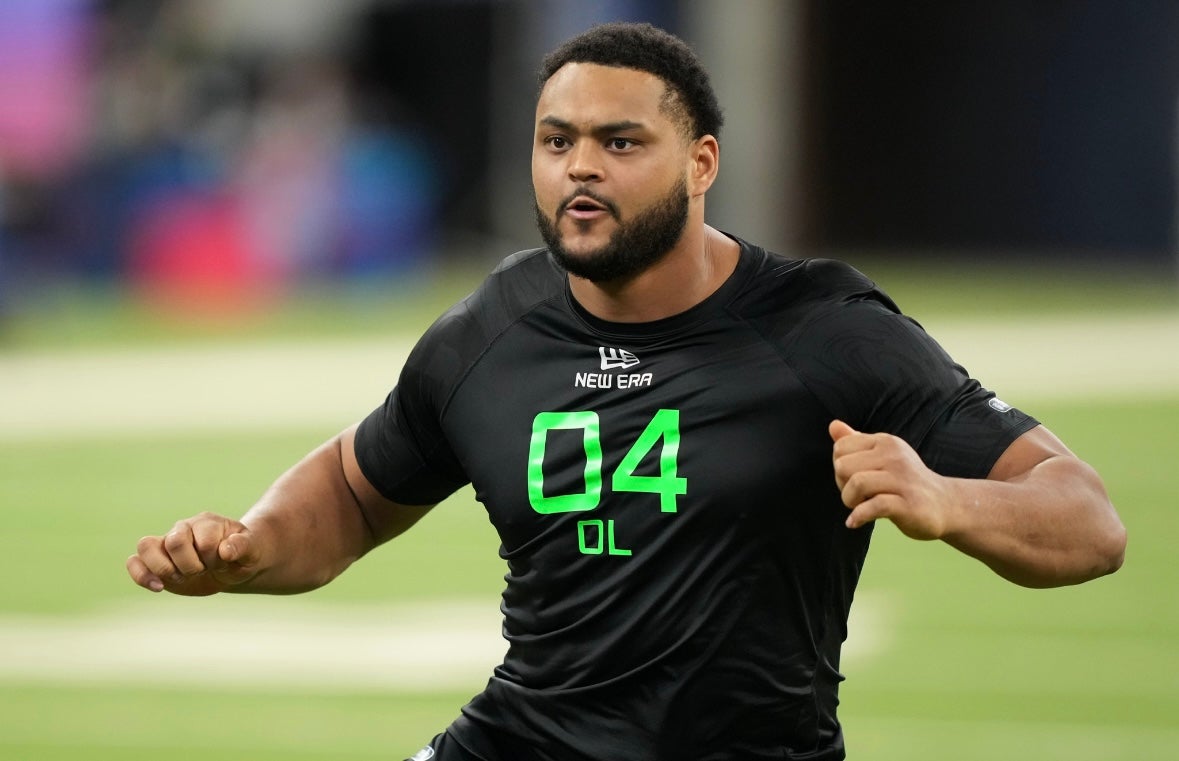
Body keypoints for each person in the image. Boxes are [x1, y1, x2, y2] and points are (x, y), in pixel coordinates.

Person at [126, 22, 1127, 761]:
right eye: (557, 141)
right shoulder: (492, 329)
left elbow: (1086, 520)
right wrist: (251, 545)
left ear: (701, 165)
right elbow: (352, 490)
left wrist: (949, 499)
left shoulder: (823, 329)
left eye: (619, 142)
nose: (580, 171)